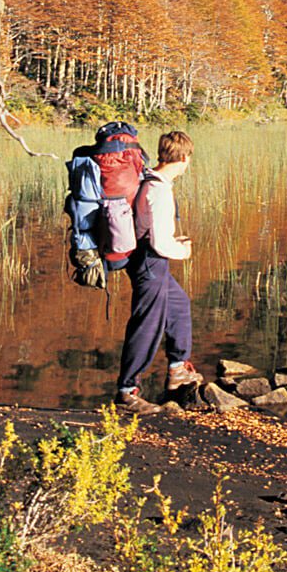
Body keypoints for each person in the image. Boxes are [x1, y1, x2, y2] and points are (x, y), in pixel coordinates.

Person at [115, 129, 201, 414]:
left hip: (149, 260)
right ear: (185, 158)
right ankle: (127, 392)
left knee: (178, 305)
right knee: (147, 326)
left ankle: (177, 368)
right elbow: (160, 243)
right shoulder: (159, 190)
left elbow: (149, 229)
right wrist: (182, 251)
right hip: (150, 264)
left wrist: (171, 243)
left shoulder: (151, 180)